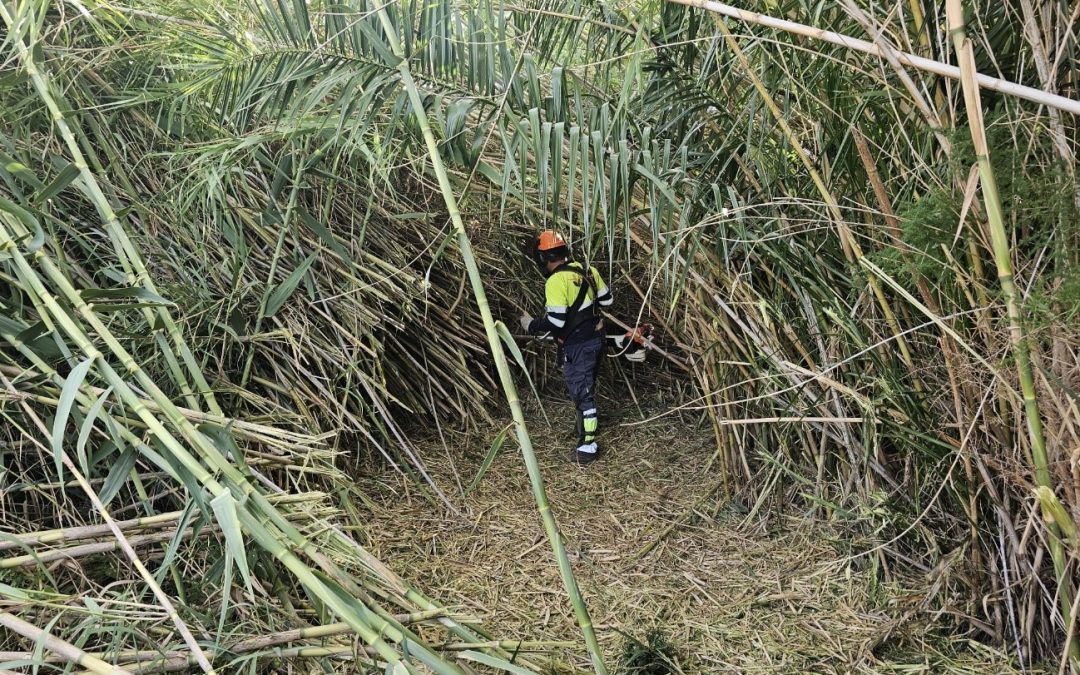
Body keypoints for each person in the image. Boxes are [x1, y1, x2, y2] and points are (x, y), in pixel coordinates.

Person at [519, 230, 613, 464]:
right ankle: (583, 430)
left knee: (583, 393)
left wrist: (531, 325)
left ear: (542, 258)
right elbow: (608, 301)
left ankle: (588, 445)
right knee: (586, 385)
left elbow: (556, 322)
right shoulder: (588, 271)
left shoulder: (555, 282)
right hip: (597, 340)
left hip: (578, 346)